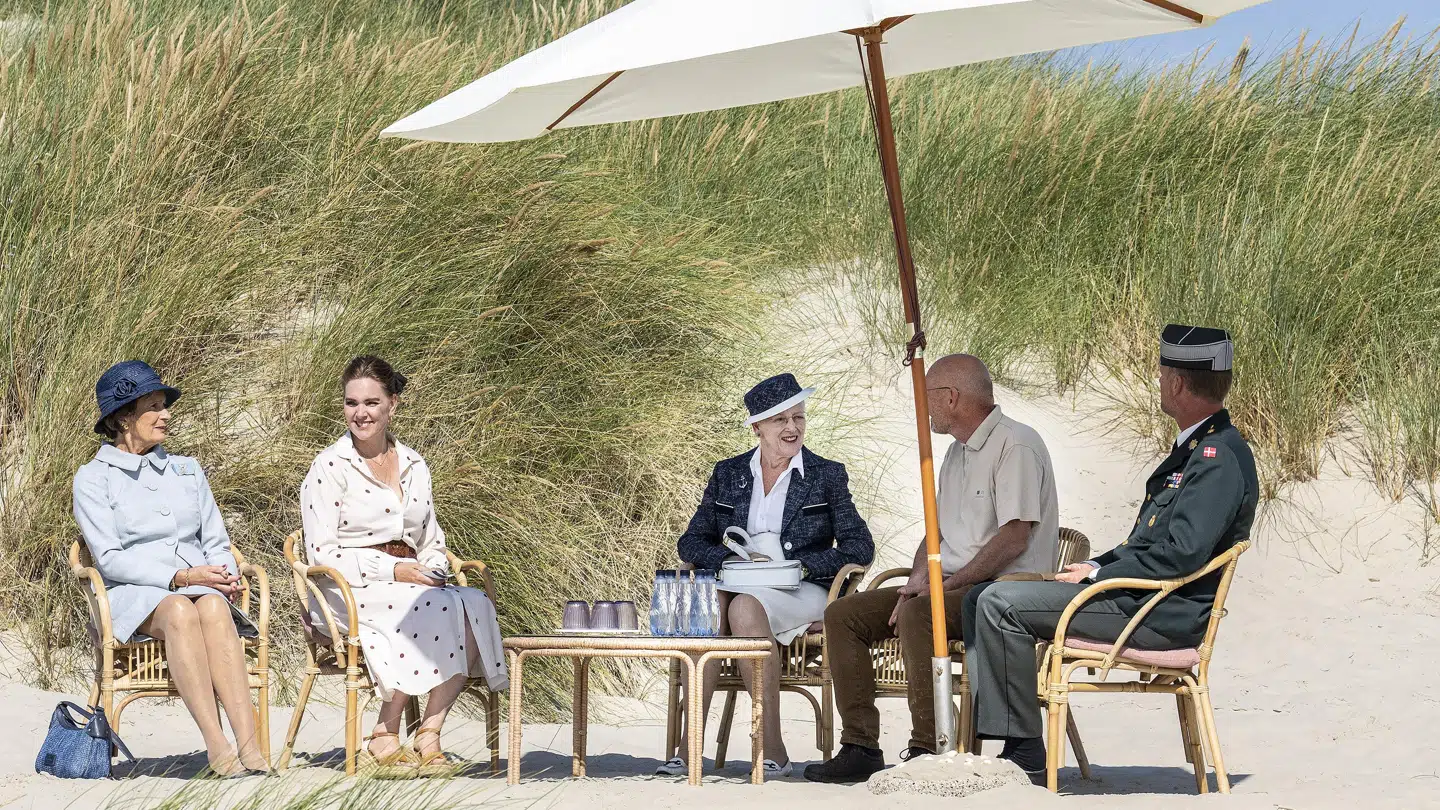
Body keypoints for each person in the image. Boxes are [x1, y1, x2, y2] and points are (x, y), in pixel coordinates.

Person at [961, 324, 1258, 783]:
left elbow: (1181, 554)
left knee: (997, 603)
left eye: (1162, 375)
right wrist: (1098, 565)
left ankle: (1022, 750)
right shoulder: (1200, 449)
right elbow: (1150, 541)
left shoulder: (1216, 458)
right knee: (980, 596)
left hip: (1157, 614)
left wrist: (1099, 580)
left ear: (1178, 383)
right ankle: (1005, 740)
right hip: (1139, 597)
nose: (1159, 383)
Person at [804, 354, 1059, 783]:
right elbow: (935, 532)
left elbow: (1015, 537)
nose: (922, 409)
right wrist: (918, 579)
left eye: (927, 398)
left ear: (952, 397)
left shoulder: (1015, 444)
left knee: (922, 613)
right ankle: (861, 745)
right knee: (843, 616)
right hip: (951, 584)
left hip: (1003, 590)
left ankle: (928, 746)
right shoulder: (955, 453)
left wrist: (939, 589)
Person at [300, 355, 507, 776]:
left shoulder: (414, 464)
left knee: (473, 604)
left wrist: (430, 567)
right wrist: (392, 570)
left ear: (392, 404)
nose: (360, 413)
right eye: (351, 403)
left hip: (410, 581)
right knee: (423, 605)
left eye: (371, 403)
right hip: (348, 587)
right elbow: (320, 553)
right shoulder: (330, 466)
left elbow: (431, 538)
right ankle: (384, 733)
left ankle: (429, 732)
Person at [662, 373, 874, 778]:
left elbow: (859, 547)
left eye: (798, 418)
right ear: (758, 426)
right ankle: (689, 747)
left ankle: (770, 744)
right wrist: (728, 562)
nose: (792, 428)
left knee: (742, 606)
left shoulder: (826, 475)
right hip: (740, 580)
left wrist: (806, 566)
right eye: (780, 420)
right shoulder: (728, 473)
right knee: (714, 604)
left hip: (802, 587)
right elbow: (691, 541)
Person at [72, 361, 269, 778]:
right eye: (154, 407)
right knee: (180, 608)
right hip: (133, 591)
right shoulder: (93, 479)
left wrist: (225, 574)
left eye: (165, 405)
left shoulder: (187, 469)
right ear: (124, 417)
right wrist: (178, 578)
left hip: (198, 585)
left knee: (213, 609)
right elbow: (107, 558)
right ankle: (217, 744)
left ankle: (249, 744)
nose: (166, 415)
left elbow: (215, 538)